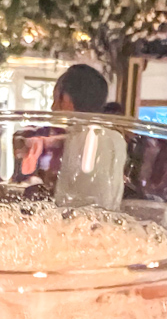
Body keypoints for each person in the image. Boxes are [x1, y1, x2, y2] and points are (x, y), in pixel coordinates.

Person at [51, 64, 127, 210]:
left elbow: (78, 202)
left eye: (55, 99)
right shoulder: (116, 138)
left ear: (66, 99)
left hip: (80, 221)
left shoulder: (82, 139)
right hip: (107, 221)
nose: (52, 108)